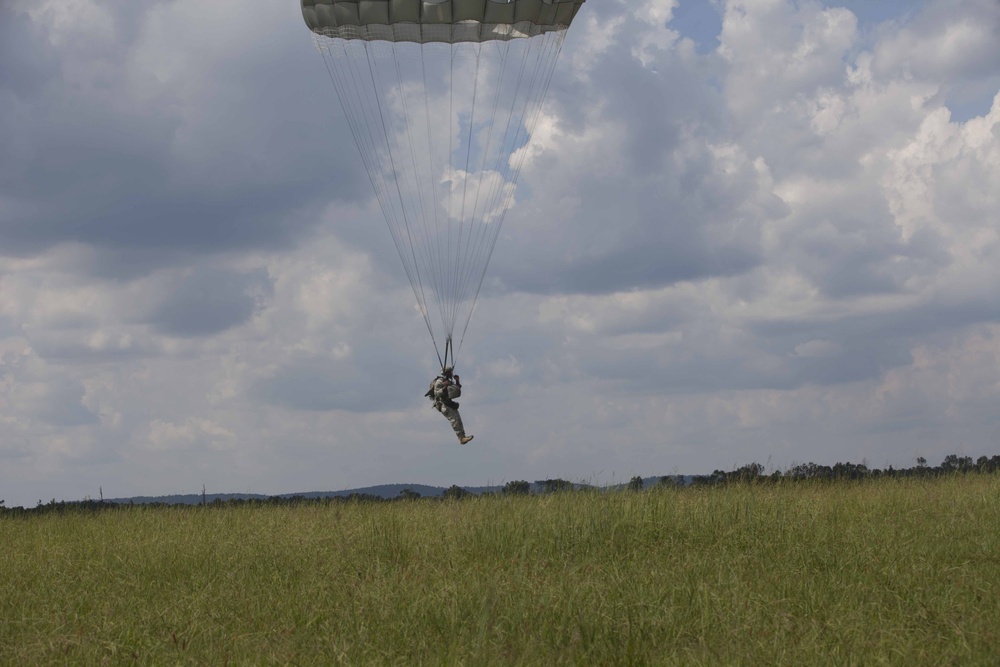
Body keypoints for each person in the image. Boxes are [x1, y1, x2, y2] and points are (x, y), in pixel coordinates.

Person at [426, 366, 473, 444]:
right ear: (445, 373)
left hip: (448, 403)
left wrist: (457, 381)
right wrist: (445, 387)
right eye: (449, 372)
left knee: (458, 419)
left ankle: (463, 436)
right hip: (443, 404)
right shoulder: (439, 382)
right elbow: (437, 393)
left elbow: (456, 389)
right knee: (454, 420)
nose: (451, 373)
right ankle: (461, 438)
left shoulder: (448, 381)